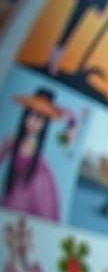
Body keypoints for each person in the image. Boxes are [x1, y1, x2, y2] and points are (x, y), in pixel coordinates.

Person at [0, 88, 62, 221]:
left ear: (44, 124)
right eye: (30, 115)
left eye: (39, 118)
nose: (33, 121)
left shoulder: (42, 170)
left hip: (23, 207)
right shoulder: (10, 143)